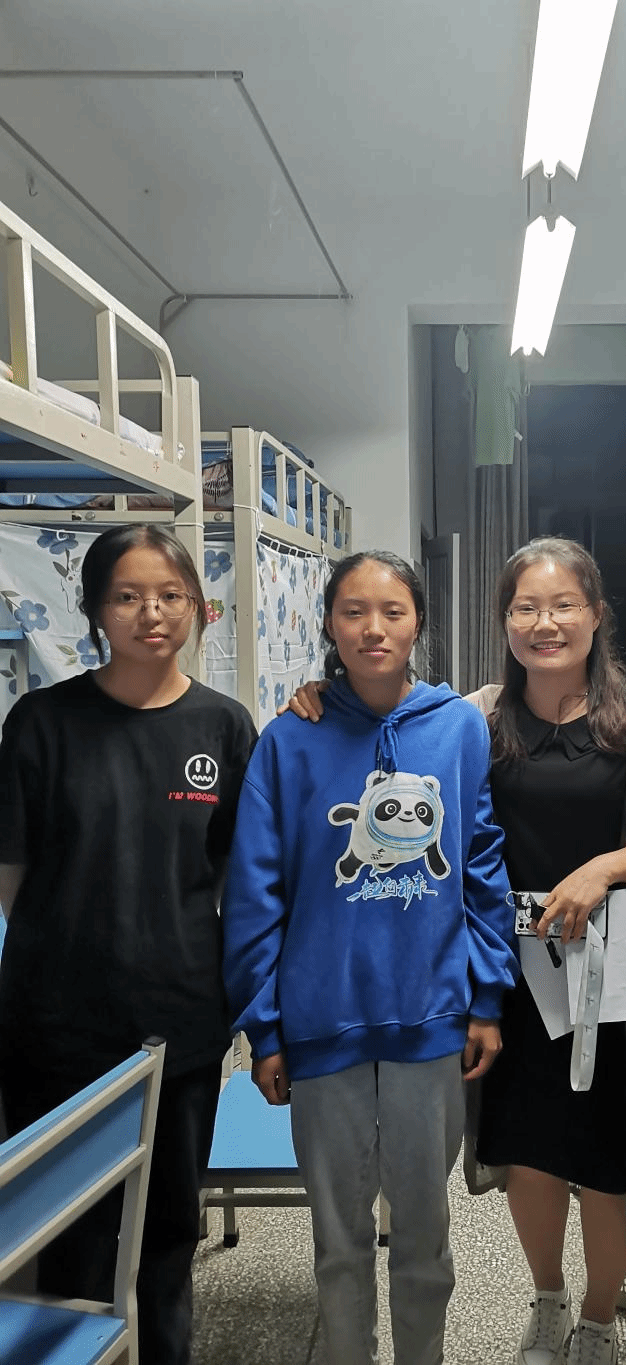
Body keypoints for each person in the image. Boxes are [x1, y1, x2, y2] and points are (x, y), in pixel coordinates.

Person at [222, 549, 518, 1365]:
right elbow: (255, 889)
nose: (373, 628)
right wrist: (265, 1027)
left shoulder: (457, 726)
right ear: (328, 623)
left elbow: (481, 863)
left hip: (432, 1016)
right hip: (323, 1023)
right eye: (354, 611)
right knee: (339, 1240)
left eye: (393, 610)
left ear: (419, 621)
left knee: (424, 1235)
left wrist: (486, 996)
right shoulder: (290, 737)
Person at [0, 523, 257, 1365]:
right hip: (54, 1026)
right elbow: (12, 874)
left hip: (179, 1021)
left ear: (198, 606)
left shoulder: (224, 725)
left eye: (170, 594)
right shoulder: (42, 722)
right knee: (65, 1232)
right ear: (95, 610)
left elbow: (236, 877)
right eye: (127, 595)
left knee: (169, 1229)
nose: (152, 612)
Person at [466, 538, 626, 1365]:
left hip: (612, 981)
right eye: (526, 606)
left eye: (564, 605)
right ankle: (549, 1299)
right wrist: (320, 691)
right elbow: (392, 729)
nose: (545, 622)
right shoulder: (478, 717)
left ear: (596, 614)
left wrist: (604, 868)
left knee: (610, 1159)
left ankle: (598, 1320)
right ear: (505, 620)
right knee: (530, 1152)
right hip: (513, 980)